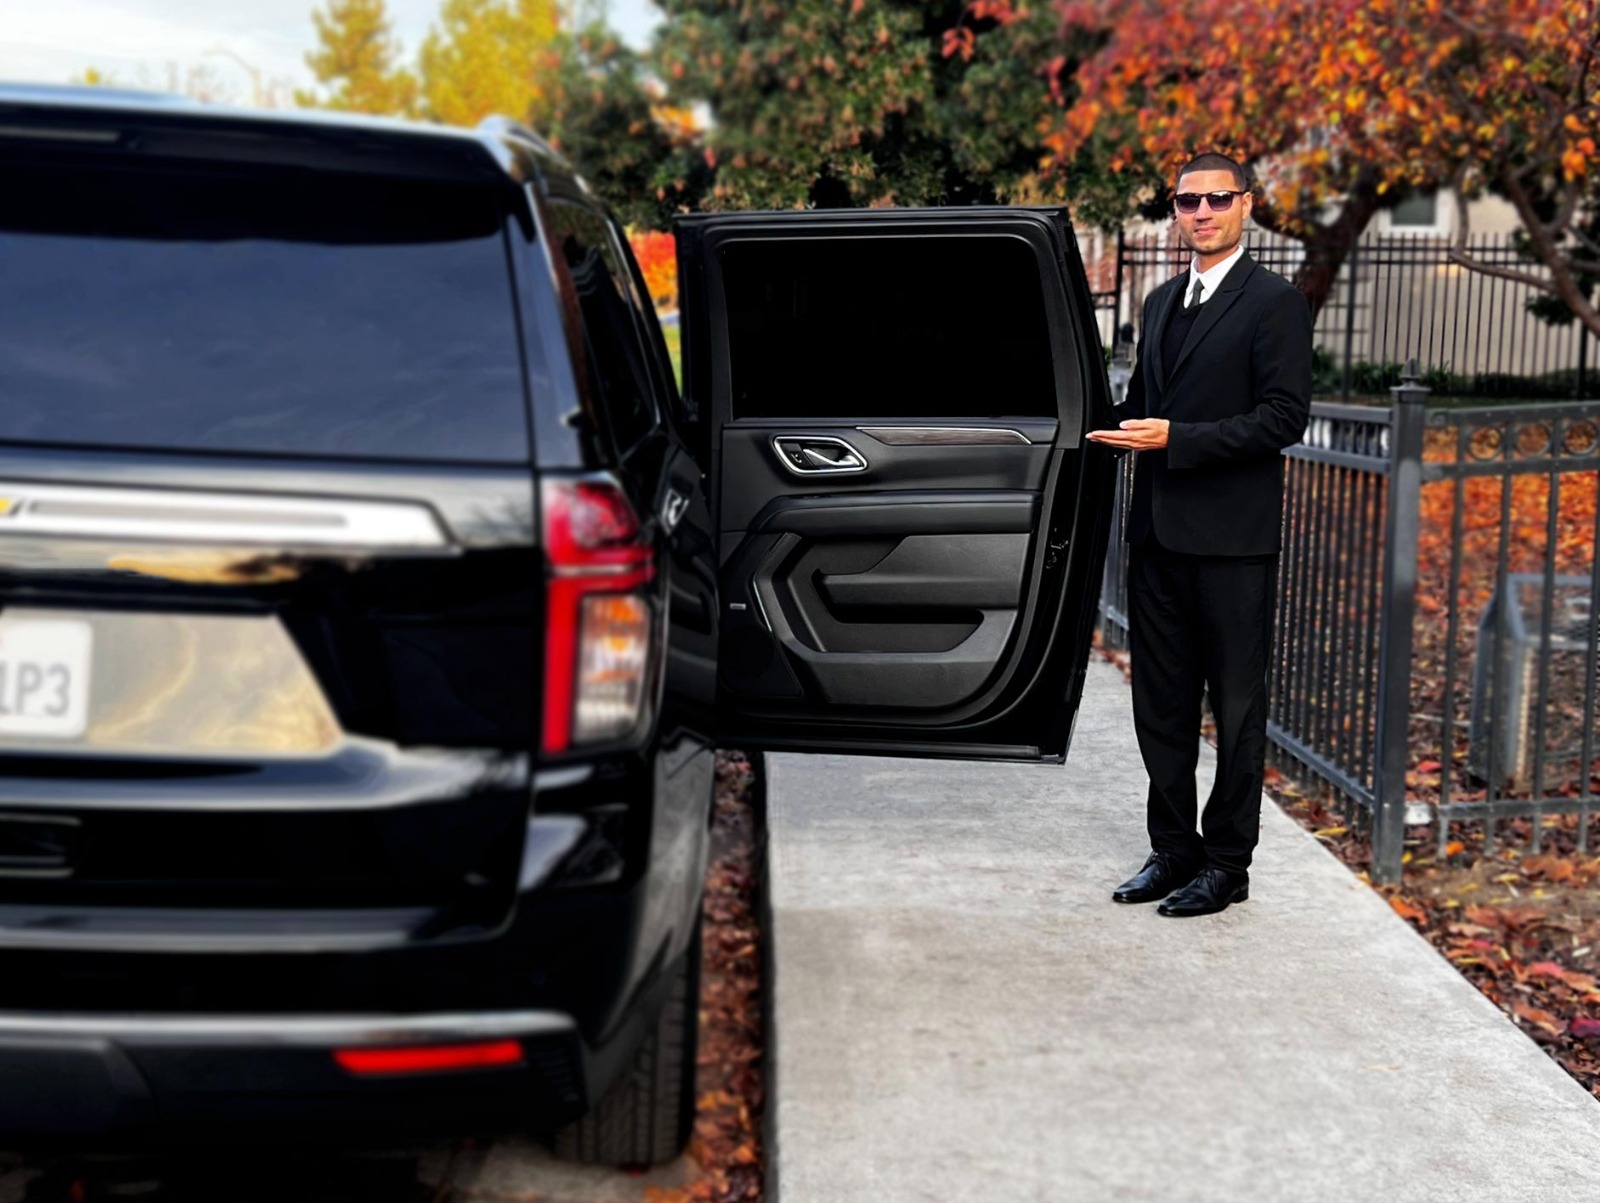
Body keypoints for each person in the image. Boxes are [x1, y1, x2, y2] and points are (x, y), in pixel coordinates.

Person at [1086, 152, 1312, 917]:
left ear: (1246, 204)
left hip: (1231, 544)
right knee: (1162, 705)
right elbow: (1139, 405)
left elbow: (1283, 418)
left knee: (1238, 709)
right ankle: (1173, 849)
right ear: (1175, 209)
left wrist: (1176, 441)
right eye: (1188, 201)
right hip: (1155, 537)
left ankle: (1226, 863)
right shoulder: (1157, 303)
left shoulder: (1274, 302)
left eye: (1218, 198)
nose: (1203, 212)